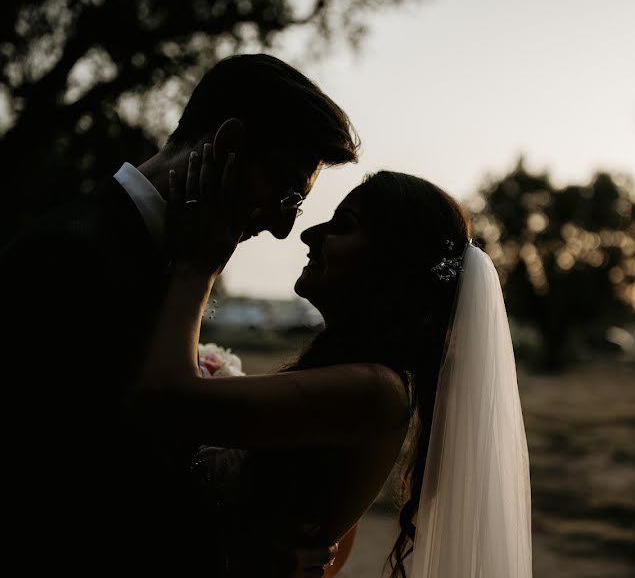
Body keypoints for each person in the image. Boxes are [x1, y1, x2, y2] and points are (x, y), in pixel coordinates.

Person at [0, 54, 358, 577]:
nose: (284, 230)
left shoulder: (158, 255)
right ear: (229, 145)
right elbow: (61, 492)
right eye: (285, 194)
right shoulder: (66, 256)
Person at [128, 157, 533, 577]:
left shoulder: (373, 389)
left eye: (344, 225)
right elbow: (334, 542)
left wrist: (197, 267)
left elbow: (163, 401)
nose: (309, 234)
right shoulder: (355, 380)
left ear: (392, 262)